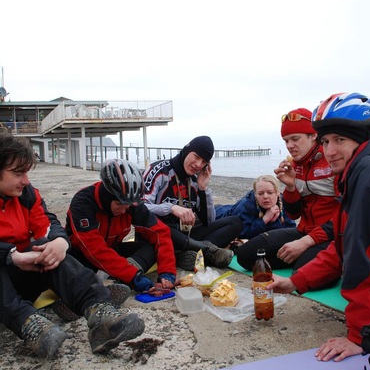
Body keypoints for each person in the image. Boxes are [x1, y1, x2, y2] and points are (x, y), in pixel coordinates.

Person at [268, 92, 370, 362]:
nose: (330, 151)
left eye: (340, 140)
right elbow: (343, 247)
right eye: (326, 141)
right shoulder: (369, 168)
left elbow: (365, 262)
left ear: (364, 139)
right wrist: (295, 282)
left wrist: (360, 335)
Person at [0, 134, 145, 359]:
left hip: (20, 276)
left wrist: (59, 242)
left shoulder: (25, 194)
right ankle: (30, 325)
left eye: (27, 173)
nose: (26, 180)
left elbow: (47, 223)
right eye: (18, 173)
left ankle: (101, 315)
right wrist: (11, 255)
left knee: (45, 248)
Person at [236, 108, 336, 275]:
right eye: (286, 140)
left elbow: (347, 217)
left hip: (331, 235)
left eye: (295, 139)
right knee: (245, 256)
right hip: (305, 229)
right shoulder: (295, 166)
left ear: (314, 136)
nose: (290, 146)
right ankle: (311, 258)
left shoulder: (332, 161)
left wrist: (306, 242)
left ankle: (325, 258)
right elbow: (294, 215)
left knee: (303, 272)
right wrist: (290, 187)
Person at [65, 159, 177, 295]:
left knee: (149, 247)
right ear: (107, 195)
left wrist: (167, 271)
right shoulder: (83, 203)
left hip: (112, 249)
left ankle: (117, 276)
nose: (124, 211)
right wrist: (133, 277)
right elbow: (95, 249)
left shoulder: (130, 203)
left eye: (128, 206)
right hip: (81, 254)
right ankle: (87, 291)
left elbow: (160, 232)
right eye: (119, 204)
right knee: (69, 266)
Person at [142, 135, 242, 271]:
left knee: (235, 223)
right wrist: (171, 208)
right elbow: (139, 208)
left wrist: (203, 188)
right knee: (162, 226)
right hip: (161, 232)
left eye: (204, 162)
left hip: (186, 234)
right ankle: (204, 250)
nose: (198, 165)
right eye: (196, 157)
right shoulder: (159, 170)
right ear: (186, 150)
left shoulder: (196, 179)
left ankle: (185, 253)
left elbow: (209, 221)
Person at [215, 175, 296, 240]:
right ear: (255, 194)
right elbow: (243, 235)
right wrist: (265, 220)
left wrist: (273, 222)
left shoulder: (284, 203)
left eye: (270, 192)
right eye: (260, 193)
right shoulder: (246, 205)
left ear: (277, 193)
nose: (265, 196)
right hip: (219, 215)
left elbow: (291, 229)